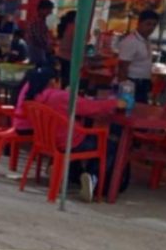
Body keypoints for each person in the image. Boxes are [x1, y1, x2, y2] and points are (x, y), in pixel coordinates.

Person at [12, 65, 119, 201]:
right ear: (53, 81)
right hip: (70, 142)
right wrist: (115, 103)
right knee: (109, 146)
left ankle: (68, 174)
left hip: (47, 141)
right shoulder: (60, 96)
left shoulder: (34, 98)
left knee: (90, 139)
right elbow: (89, 108)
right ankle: (92, 177)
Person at [117, 9, 159, 104]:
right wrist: (125, 91)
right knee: (131, 109)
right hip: (132, 83)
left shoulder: (146, 40)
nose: (151, 28)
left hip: (143, 83)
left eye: (154, 25)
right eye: (148, 24)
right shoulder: (130, 41)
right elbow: (122, 68)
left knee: (141, 109)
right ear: (139, 23)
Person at [27, 0, 55, 66]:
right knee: (38, 67)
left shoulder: (40, 20)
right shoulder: (38, 21)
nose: (50, 12)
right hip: (37, 49)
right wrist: (48, 48)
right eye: (49, 10)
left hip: (37, 48)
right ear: (41, 9)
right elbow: (39, 37)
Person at [55, 10, 77, 88]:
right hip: (69, 56)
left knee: (62, 78)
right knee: (67, 79)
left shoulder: (63, 26)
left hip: (60, 54)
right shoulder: (74, 28)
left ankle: (62, 90)